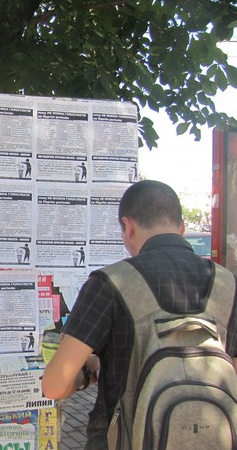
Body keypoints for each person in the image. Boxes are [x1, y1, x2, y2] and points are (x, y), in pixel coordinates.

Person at [41, 180, 237, 449]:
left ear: (128, 226)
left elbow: (54, 385)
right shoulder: (228, 285)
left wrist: (87, 373)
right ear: (182, 228)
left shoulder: (110, 283)